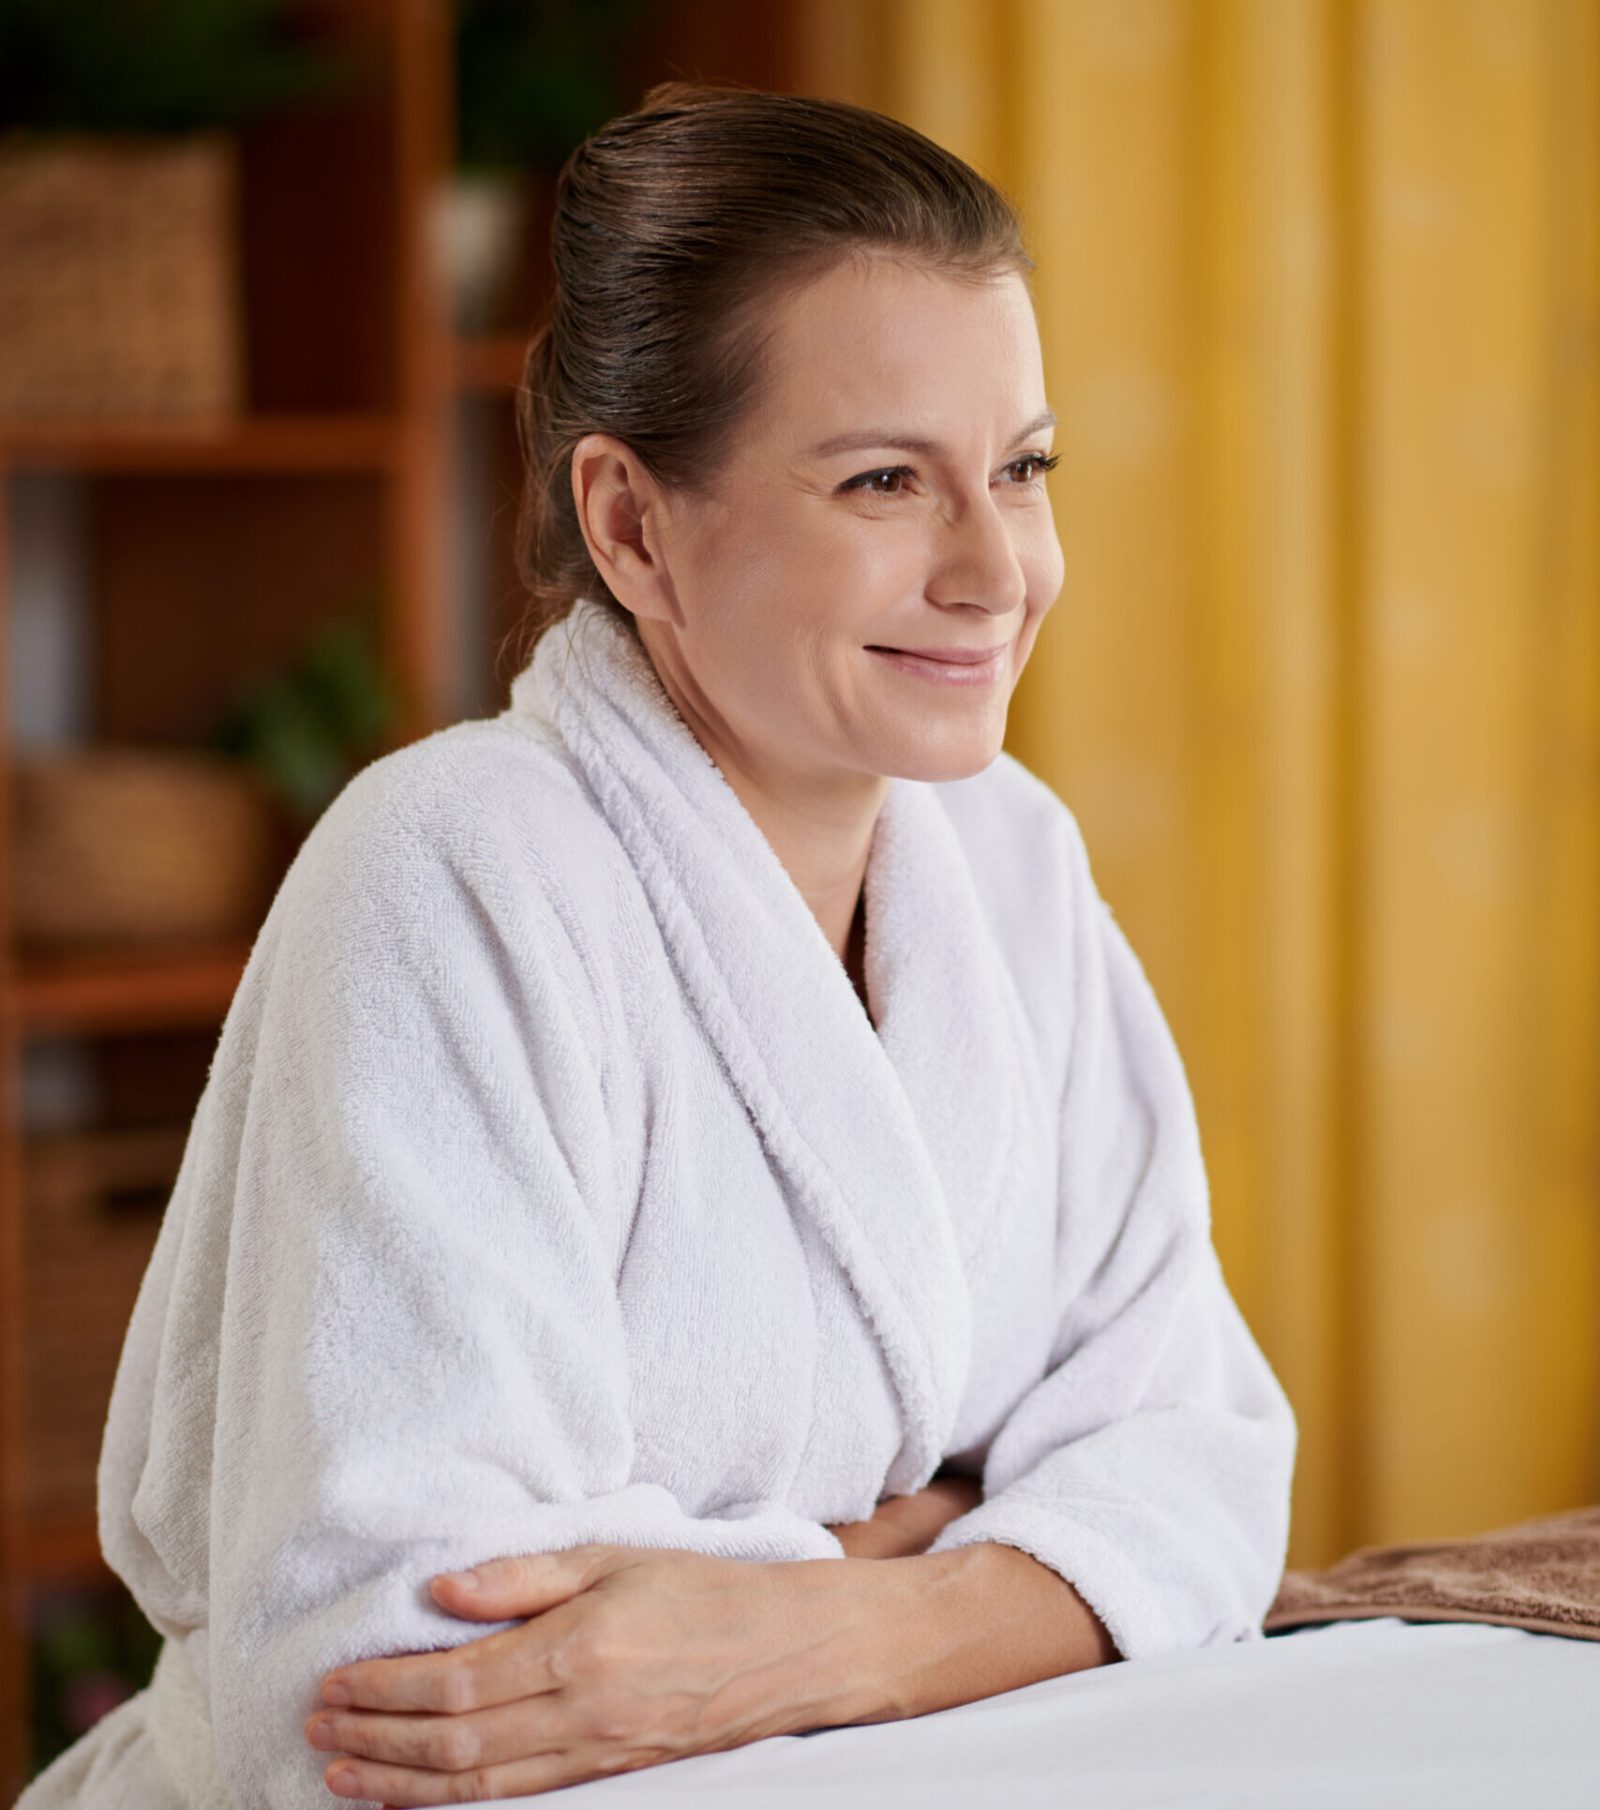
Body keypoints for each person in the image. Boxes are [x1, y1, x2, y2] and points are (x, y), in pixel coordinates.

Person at [19, 81, 1297, 1810]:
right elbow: (398, 1676)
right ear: (630, 524)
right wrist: (970, 1550)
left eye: (1024, 468)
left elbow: (1202, 1467)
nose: (1001, 567)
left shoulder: (1013, 868)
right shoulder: (454, 871)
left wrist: (811, 1629)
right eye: (883, 480)